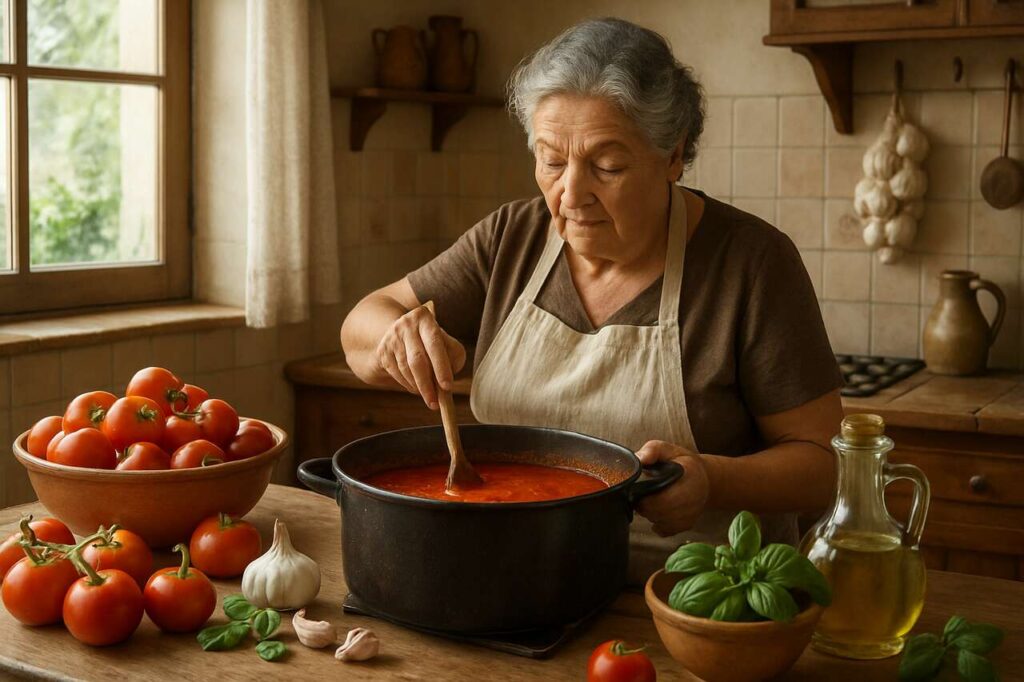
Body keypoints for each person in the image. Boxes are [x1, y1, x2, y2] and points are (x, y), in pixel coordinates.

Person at [341, 17, 844, 582]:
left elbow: (824, 464)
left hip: (692, 596)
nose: (572, 193)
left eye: (607, 165)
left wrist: (713, 480)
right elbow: (360, 325)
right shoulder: (513, 238)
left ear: (673, 156)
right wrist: (396, 335)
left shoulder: (751, 262)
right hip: (510, 578)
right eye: (552, 161)